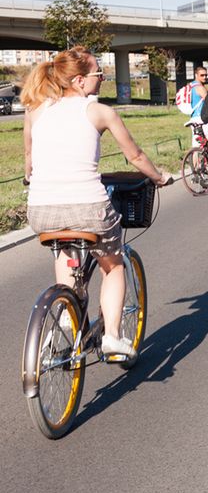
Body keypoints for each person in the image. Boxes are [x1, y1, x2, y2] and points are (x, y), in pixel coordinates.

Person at [22, 46, 171, 359]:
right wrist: (158, 177)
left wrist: (28, 178)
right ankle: (113, 338)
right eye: (97, 72)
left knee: (64, 249)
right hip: (87, 206)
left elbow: (29, 158)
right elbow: (135, 156)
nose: (102, 77)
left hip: (40, 209)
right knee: (113, 264)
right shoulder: (99, 111)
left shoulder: (35, 110)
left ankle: (66, 311)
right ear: (79, 81)